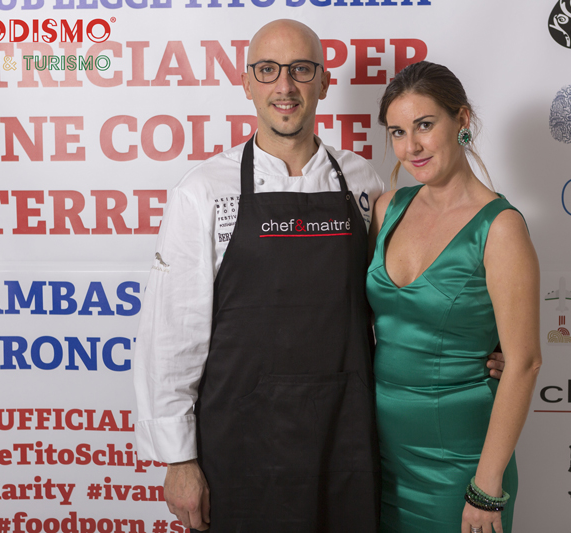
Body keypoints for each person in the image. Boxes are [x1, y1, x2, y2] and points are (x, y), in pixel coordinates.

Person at [133, 19, 386, 532]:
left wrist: (467, 351)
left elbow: (396, 302)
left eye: (301, 70)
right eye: (268, 70)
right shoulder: (204, 191)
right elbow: (172, 335)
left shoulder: (365, 182)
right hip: (240, 444)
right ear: (247, 83)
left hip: (345, 438)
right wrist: (179, 460)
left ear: (324, 82)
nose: (284, 86)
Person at [367, 61, 542, 533]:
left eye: (425, 125)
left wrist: (486, 488)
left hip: (462, 462)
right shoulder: (386, 210)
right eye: (398, 132)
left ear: (461, 120)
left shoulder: (500, 228)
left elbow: (524, 362)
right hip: (380, 456)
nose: (412, 147)